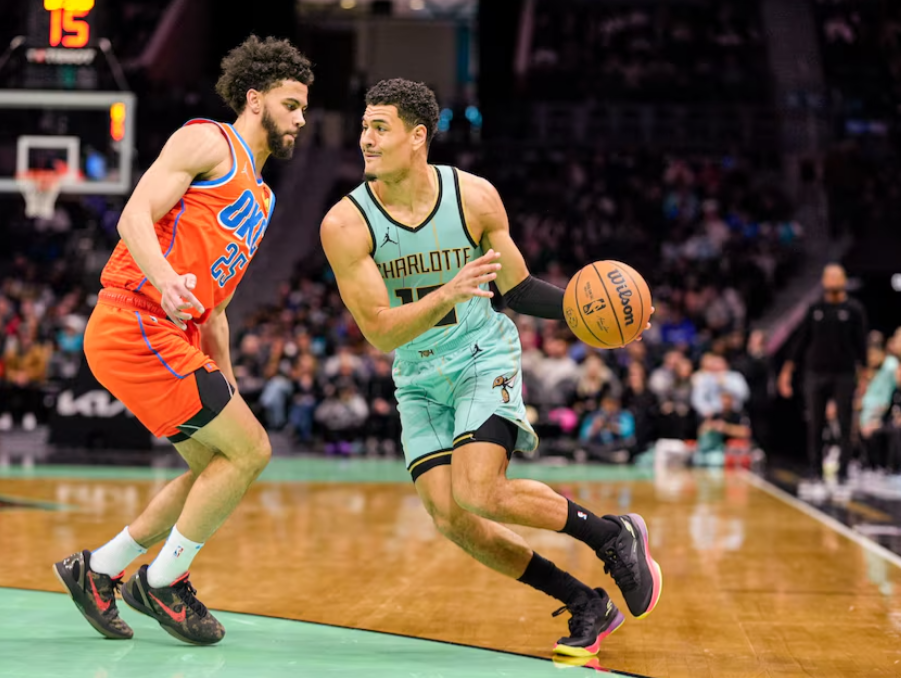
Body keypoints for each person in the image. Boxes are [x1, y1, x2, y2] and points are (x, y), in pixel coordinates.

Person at [319, 78, 661, 658]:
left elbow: (517, 288)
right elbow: (379, 329)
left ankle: (611, 537)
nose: (366, 139)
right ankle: (586, 601)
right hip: (418, 378)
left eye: (380, 127)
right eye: (364, 126)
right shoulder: (345, 225)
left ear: (418, 136)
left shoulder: (474, 197)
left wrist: (587, 317)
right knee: (452, 518)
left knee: (480, 490)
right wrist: (447, 293)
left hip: (483, 357)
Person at [53, 35, 313, 645]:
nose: (302, 117)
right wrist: (167, 282)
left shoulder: (264, 196)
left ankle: (99, 569)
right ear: (255, 99)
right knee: (251, 453)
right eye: (292, 103)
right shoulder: (207, 140)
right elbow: (133, 216)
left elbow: (217, 306)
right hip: (134, 317)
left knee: (217, 464)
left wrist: (227, 380)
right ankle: (164, 581)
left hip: (172, 333)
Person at [778, 264, 867, 481]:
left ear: (844, 280)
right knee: (815, 424)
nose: (833, 280)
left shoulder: (854, 309)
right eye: (829, 276)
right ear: (824, 280)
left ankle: (843, 472)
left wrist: (864, 377)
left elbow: (861, 345)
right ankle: (815, 470)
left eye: (837, 276)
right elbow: (800, 342)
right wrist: (786, 372)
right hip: (815, 373)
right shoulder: (815, 308)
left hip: (844, 375)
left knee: (845, 423)